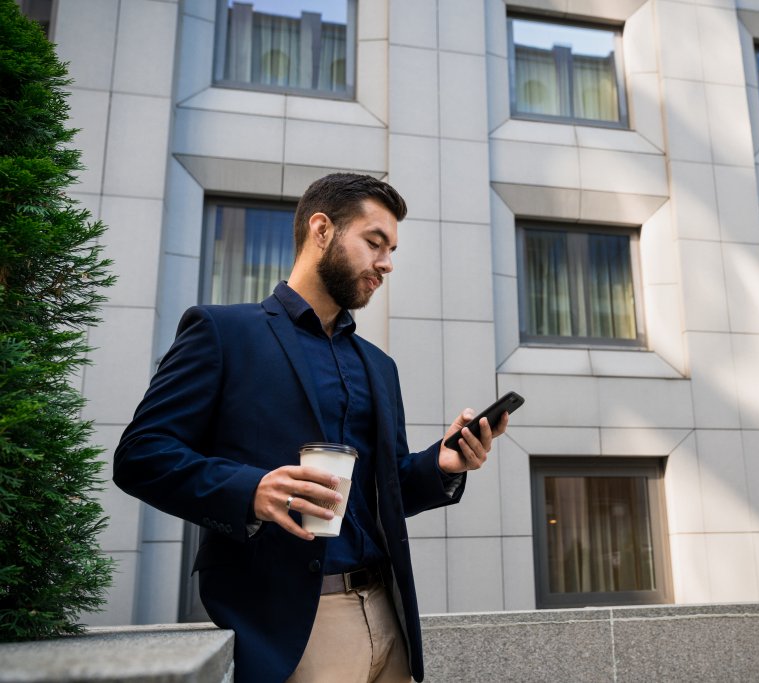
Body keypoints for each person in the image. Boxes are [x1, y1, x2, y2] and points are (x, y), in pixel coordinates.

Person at [113, 173, 510, 683]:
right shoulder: (222, 332)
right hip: (294, 625)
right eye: (375, 243)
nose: (386, 262)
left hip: (389, 615)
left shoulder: (379, 365)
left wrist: (444, 463)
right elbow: (141, 455)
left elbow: (382, 493)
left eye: (391, 249)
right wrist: (251, 490)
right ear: (321, 229)